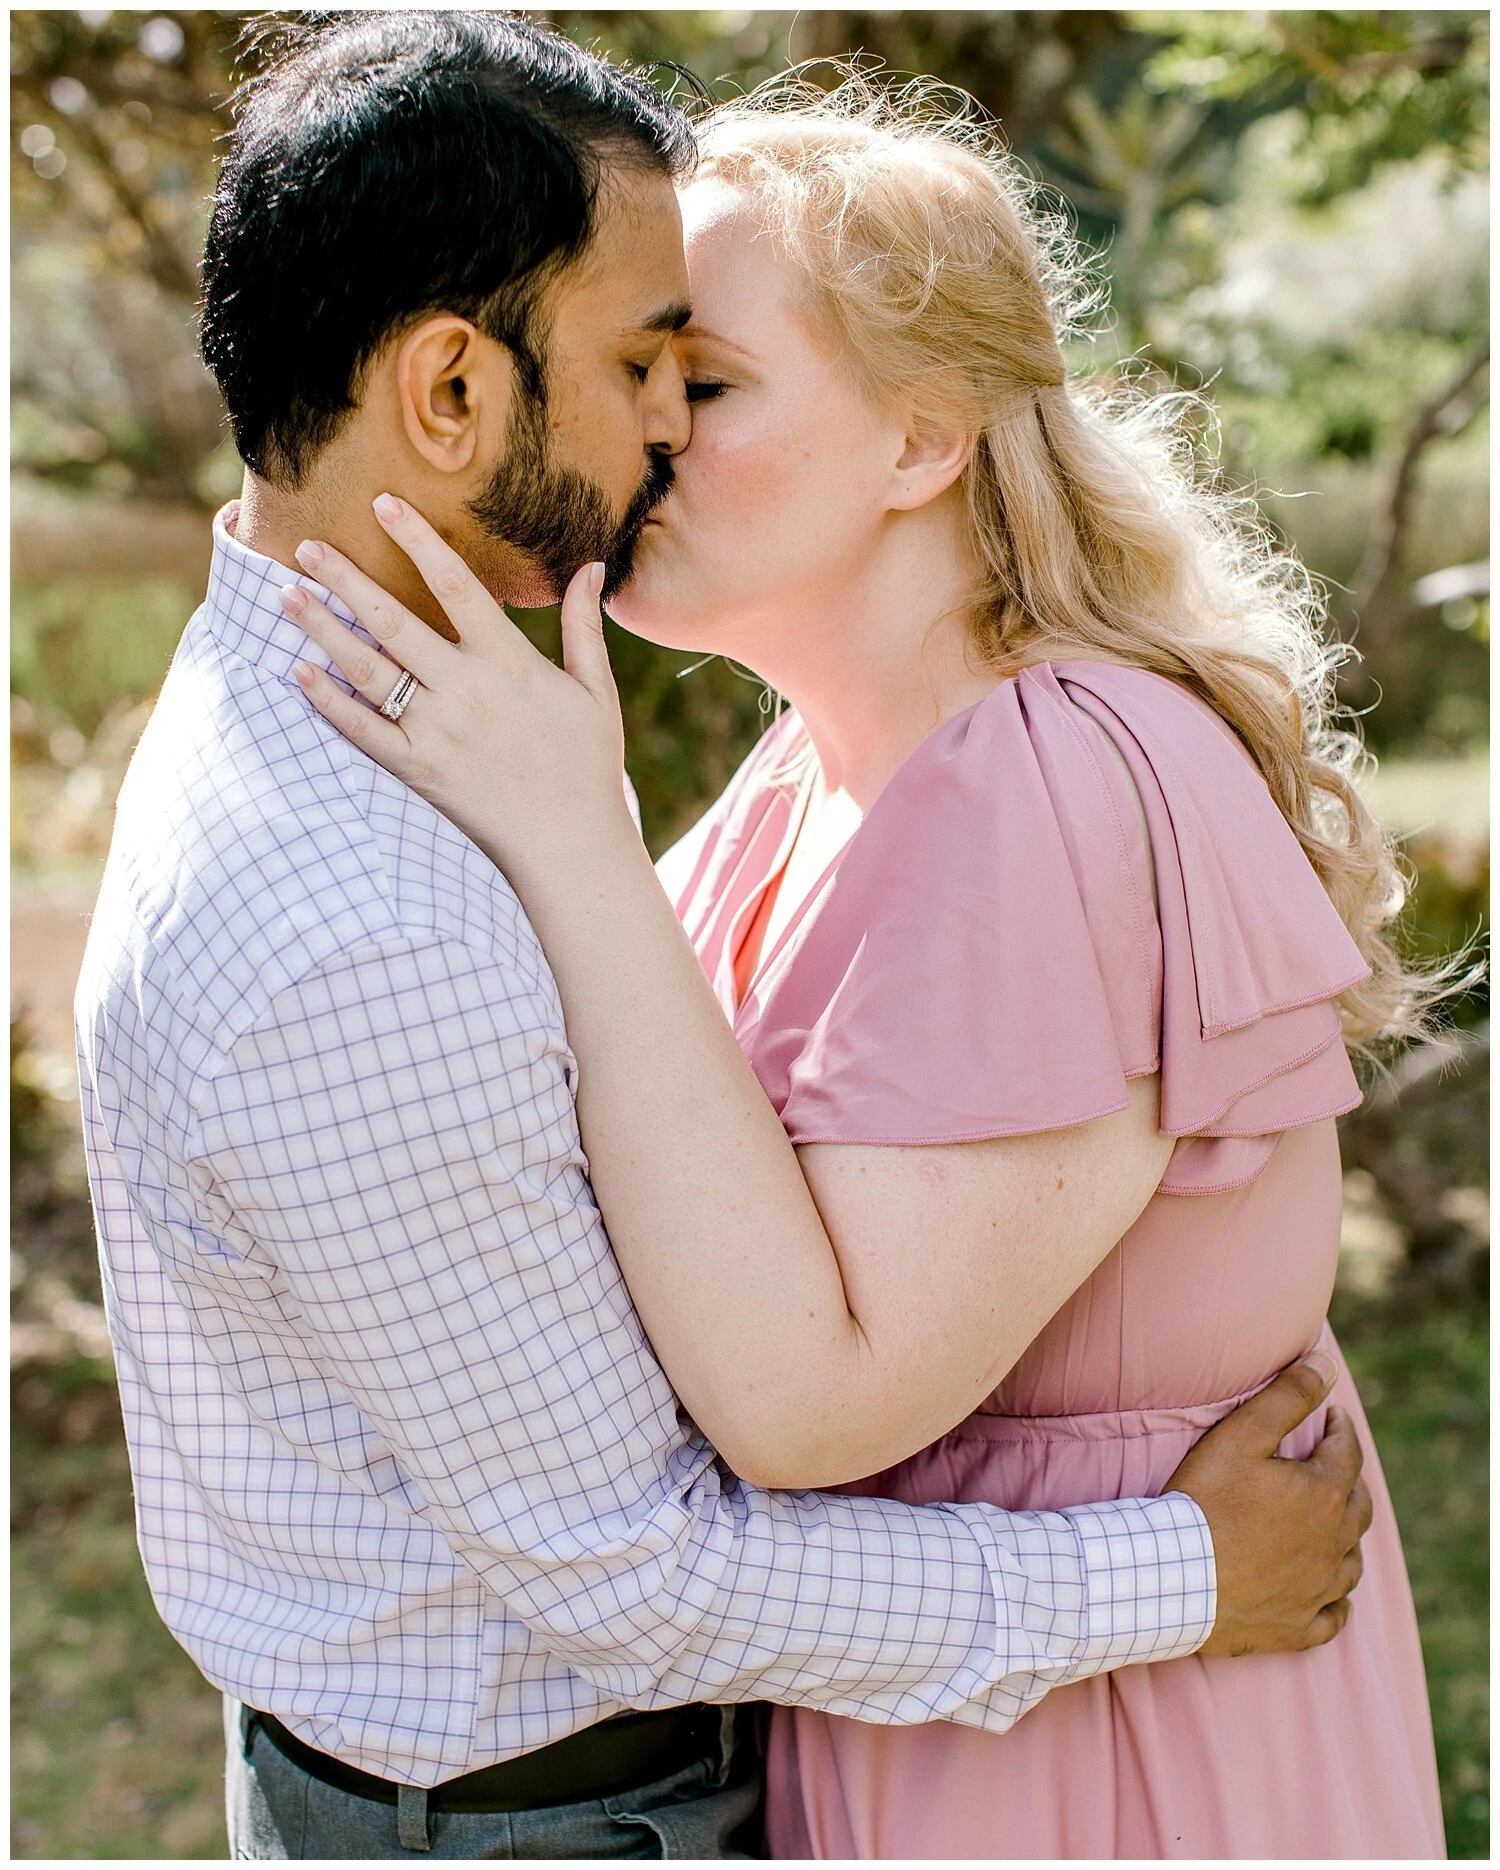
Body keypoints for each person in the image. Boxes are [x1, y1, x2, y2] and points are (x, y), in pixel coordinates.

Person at [77, 17, 1371, 1861]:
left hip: (1076, 1754)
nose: (661, 432)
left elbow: (762, 1370)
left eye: (710, 376)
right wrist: (1171, 1569)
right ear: (451, 392)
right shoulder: (408, 877)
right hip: (719, 1748)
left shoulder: (1029, 780)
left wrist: (577, 833)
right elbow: (662, 1509)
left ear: (925, 436)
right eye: (640, 362)